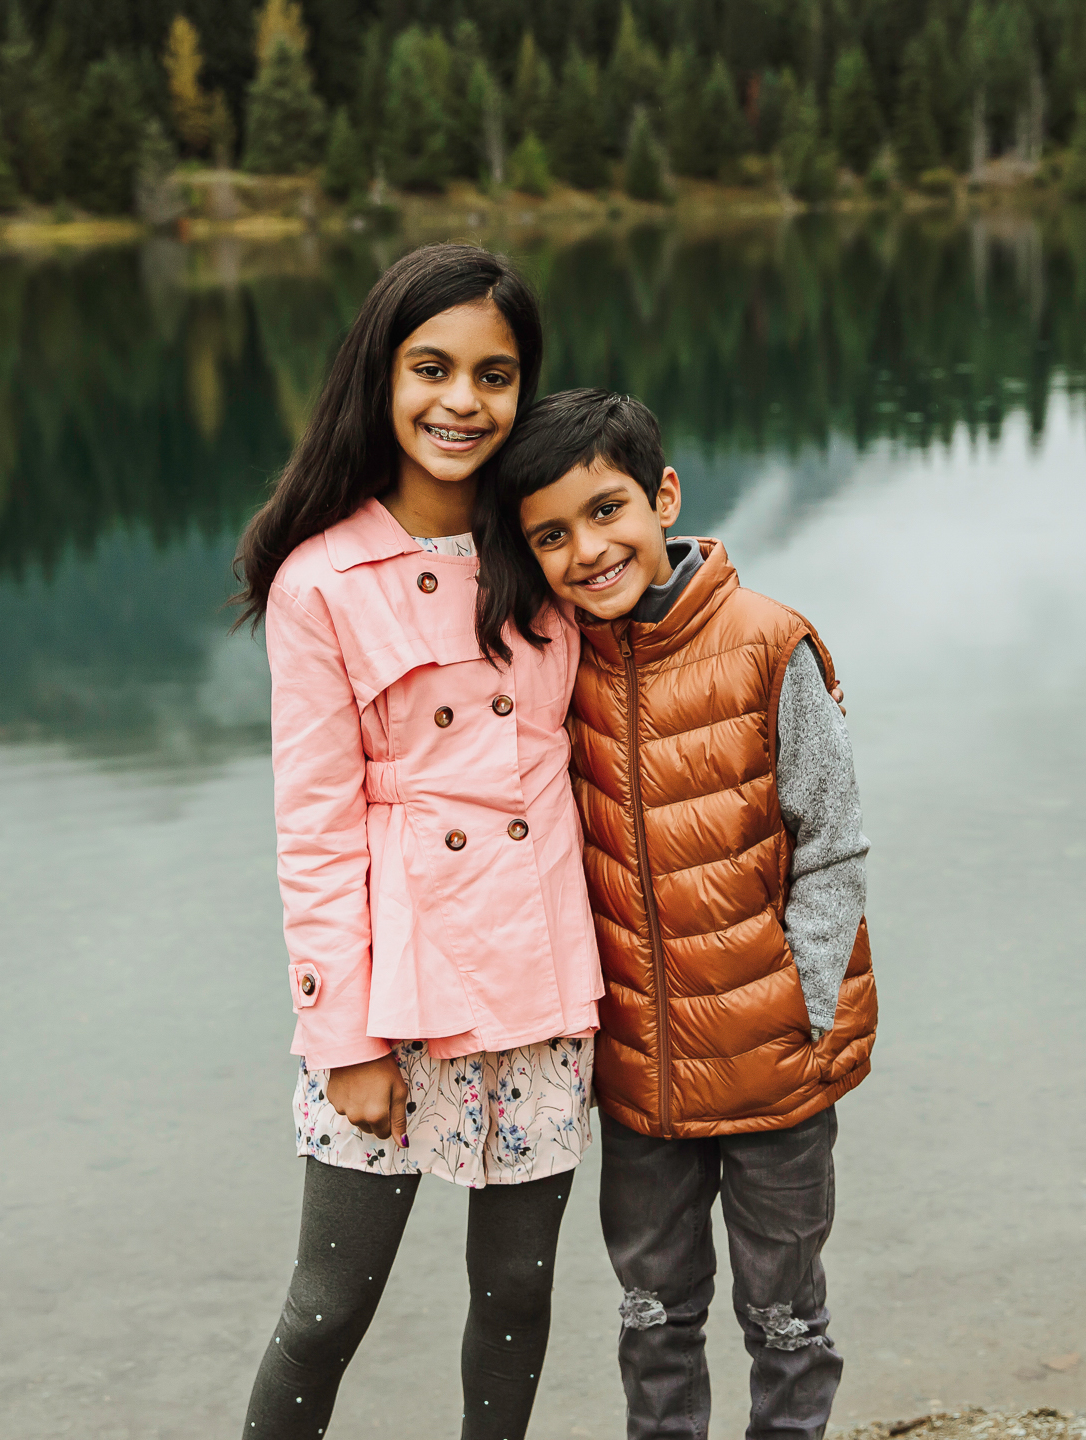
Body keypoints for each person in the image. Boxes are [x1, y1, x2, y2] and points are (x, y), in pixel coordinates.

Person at [229, 245, 602, 1440]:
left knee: (517, 1296)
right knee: (331, 1305)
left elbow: (642, 577)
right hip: (395, 991)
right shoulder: (321, 580)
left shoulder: (540, 548)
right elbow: (316, 832)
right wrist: (342, 1033)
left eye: (495, 376)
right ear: (378, 378)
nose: (461, 402)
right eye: (430, 368)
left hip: (543, 976)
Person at [475, 389, 878, 1440]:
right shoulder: (558, 662)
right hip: (639, 1077)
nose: (587, 551)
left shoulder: (770, 644)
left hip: (775, 1066)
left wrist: (811, 1009)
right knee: (653, 1315)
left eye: (608, 511)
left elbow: (832, 843)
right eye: (551, 536)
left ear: (664, 496)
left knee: (785, 1317)